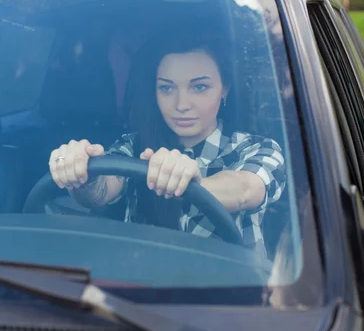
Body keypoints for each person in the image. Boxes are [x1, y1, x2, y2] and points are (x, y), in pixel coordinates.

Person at [48, 35, 286, 257]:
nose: (181, 104)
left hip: (232, 297)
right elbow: (100, 191)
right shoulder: (135, 145)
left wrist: (194, 184)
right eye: (167, 88)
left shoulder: (258, 149)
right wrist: (78, 171)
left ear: (225, 89)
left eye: (199, 87)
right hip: (140, 292)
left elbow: (245, 190)